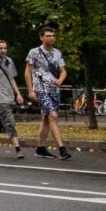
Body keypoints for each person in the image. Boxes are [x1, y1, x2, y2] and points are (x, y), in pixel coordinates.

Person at [24, 27, 72, 160]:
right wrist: (30, 90)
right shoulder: (34, 52)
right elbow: (27, 72)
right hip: (40, 89)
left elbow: (63, 71)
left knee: (46, 119)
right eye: (49, 35)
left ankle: (40, 148)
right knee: (53, 115)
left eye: (53, 36)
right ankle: (62, 149)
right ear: (41, 37)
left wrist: (60, 80)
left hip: (54, 89)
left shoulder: (57, 53)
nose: (52, 38)